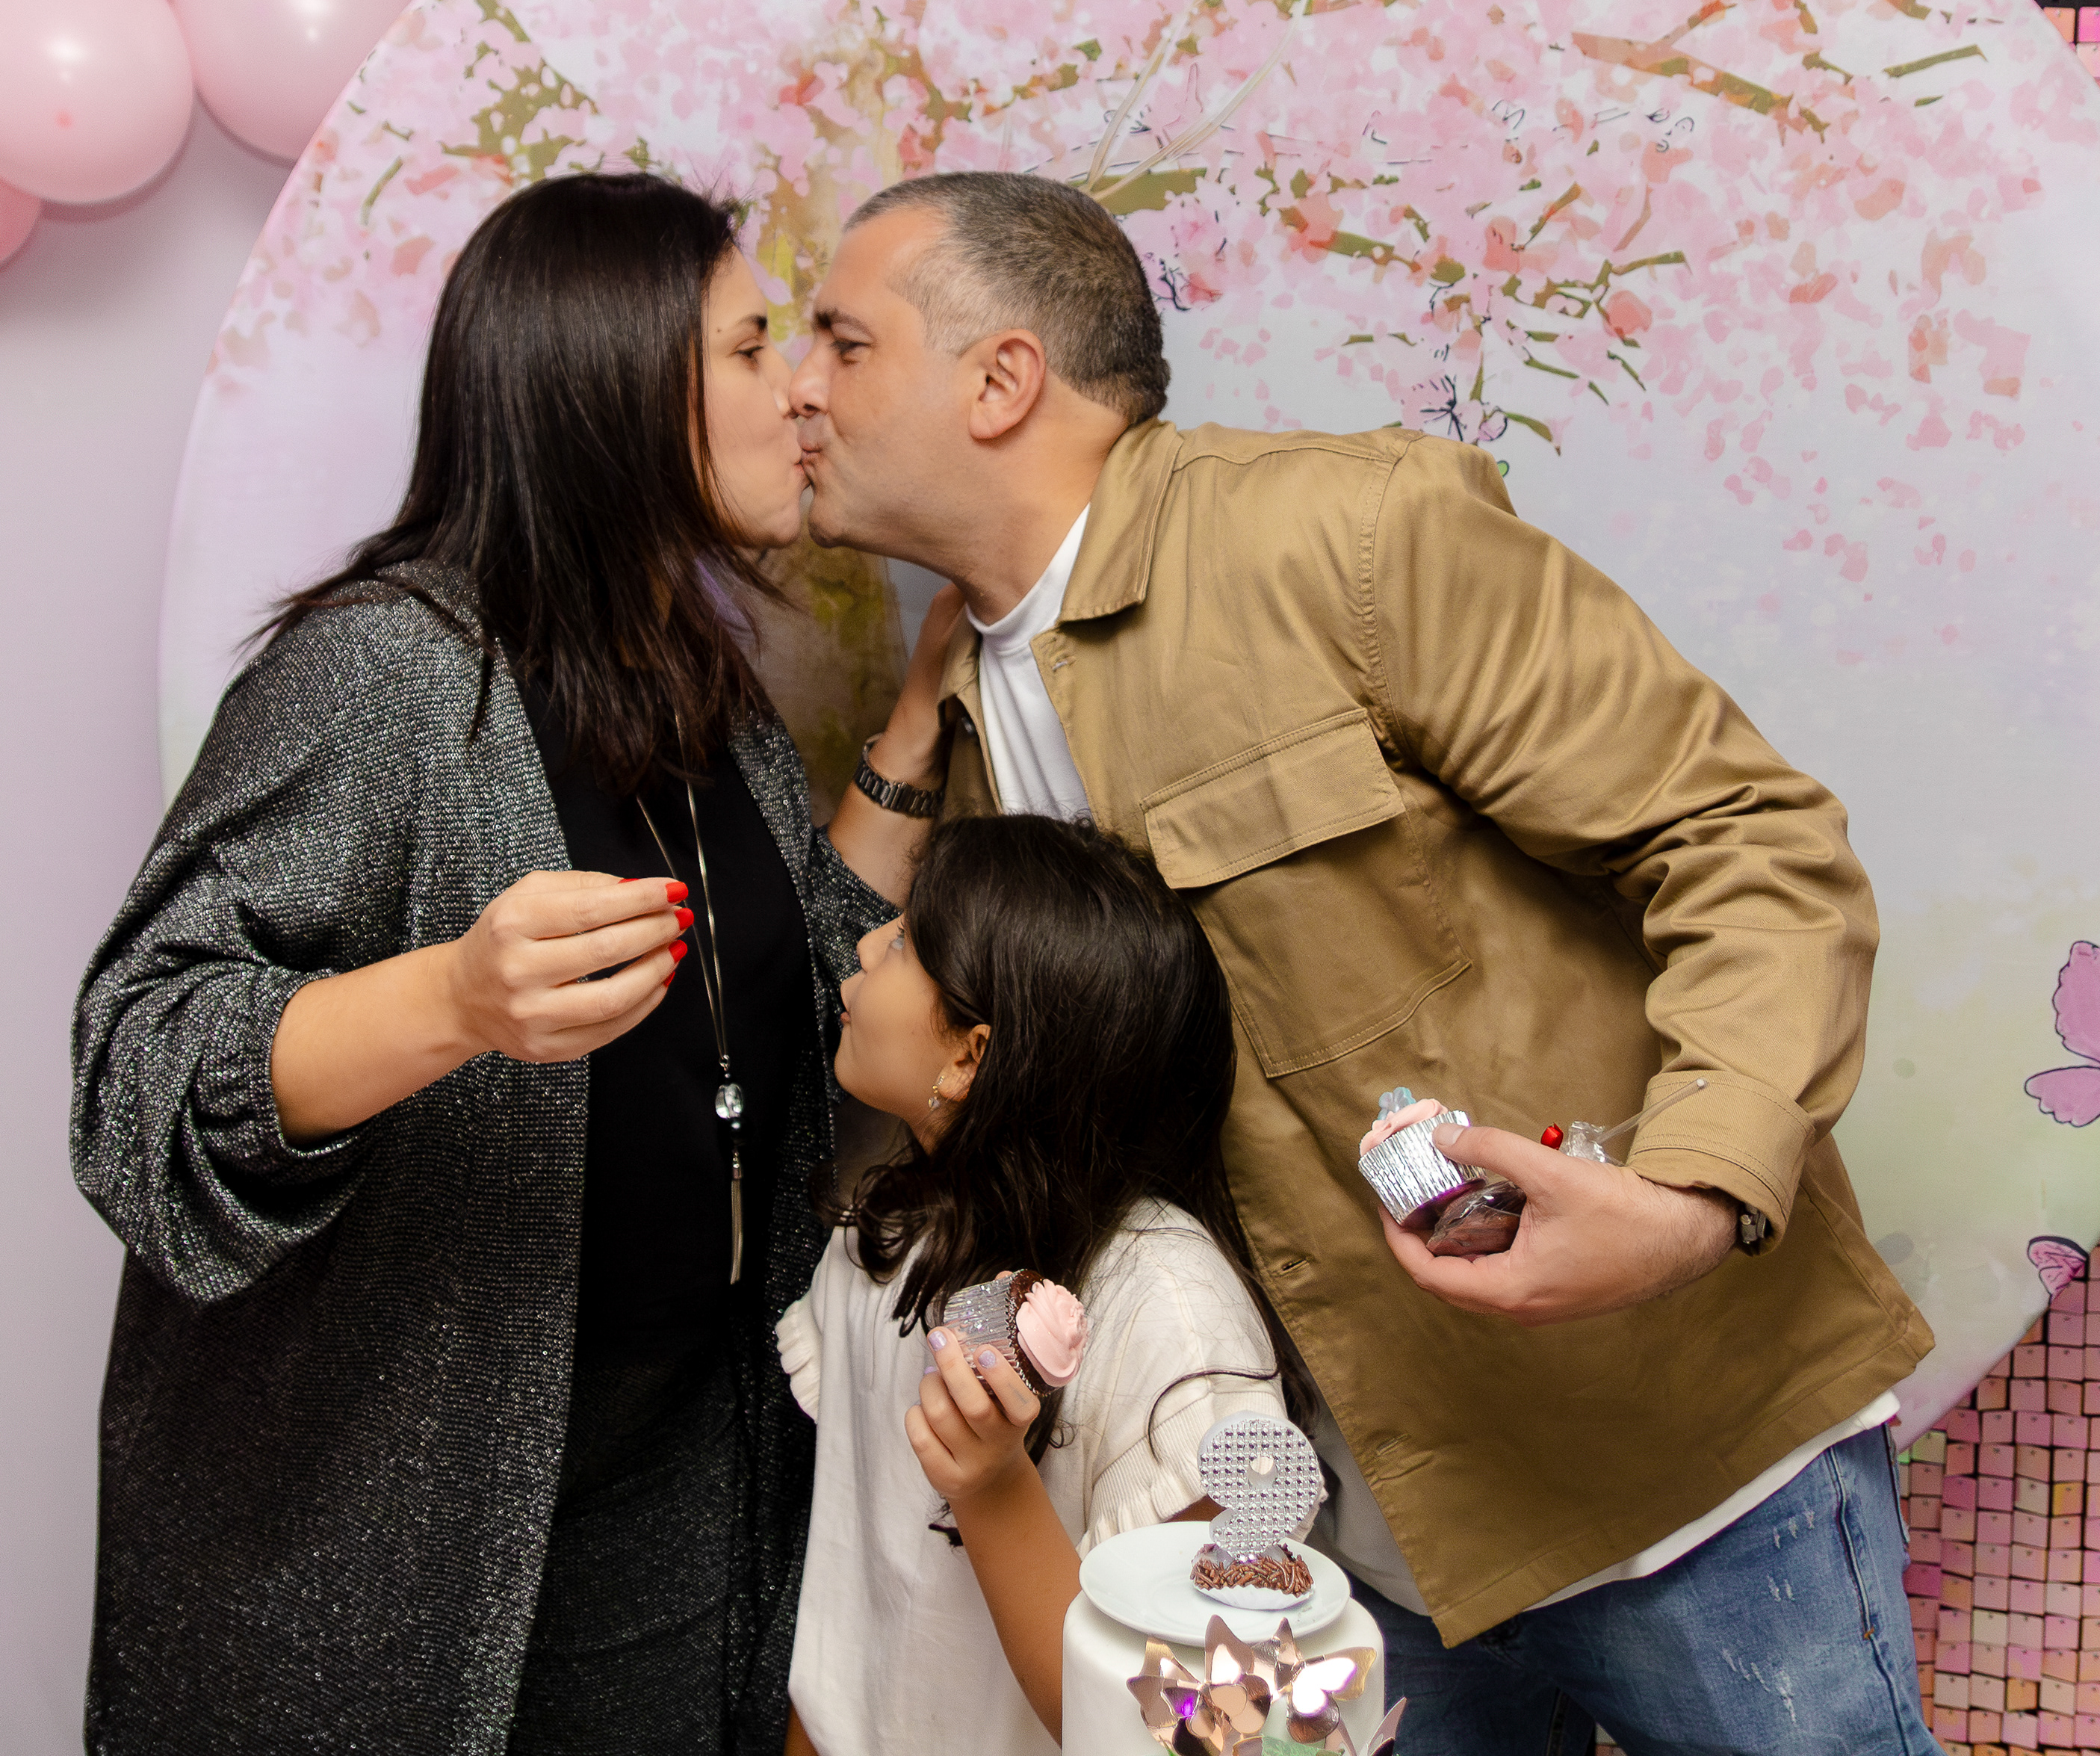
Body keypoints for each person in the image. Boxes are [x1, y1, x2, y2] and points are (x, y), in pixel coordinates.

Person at [785, 170, 1941, 1755]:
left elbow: (1754, 839)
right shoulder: (974, 708)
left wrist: (1689, 1196)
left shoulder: (1345, 534)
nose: (799, 384)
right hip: (1326, 1541)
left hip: (1663, 1462)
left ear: (1000, 380)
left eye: (844, 341)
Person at [69, 171, 956, 1755]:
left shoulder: (695, 673)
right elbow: (138, 1069)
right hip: (407, 1510)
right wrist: (448, 1000)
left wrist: (911, 730)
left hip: (686, 1472)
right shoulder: (382, 671)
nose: (803, 390)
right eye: (755, 346)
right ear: (616, 389)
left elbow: (792, 982)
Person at [775, 814, 1298, 1753]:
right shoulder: (884, 1237)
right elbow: (856, 1617)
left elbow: (1195, 1726)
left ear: (970, 1054)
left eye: (901, 940)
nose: (860, 943)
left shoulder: (1170, 1312)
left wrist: (992, 1485)